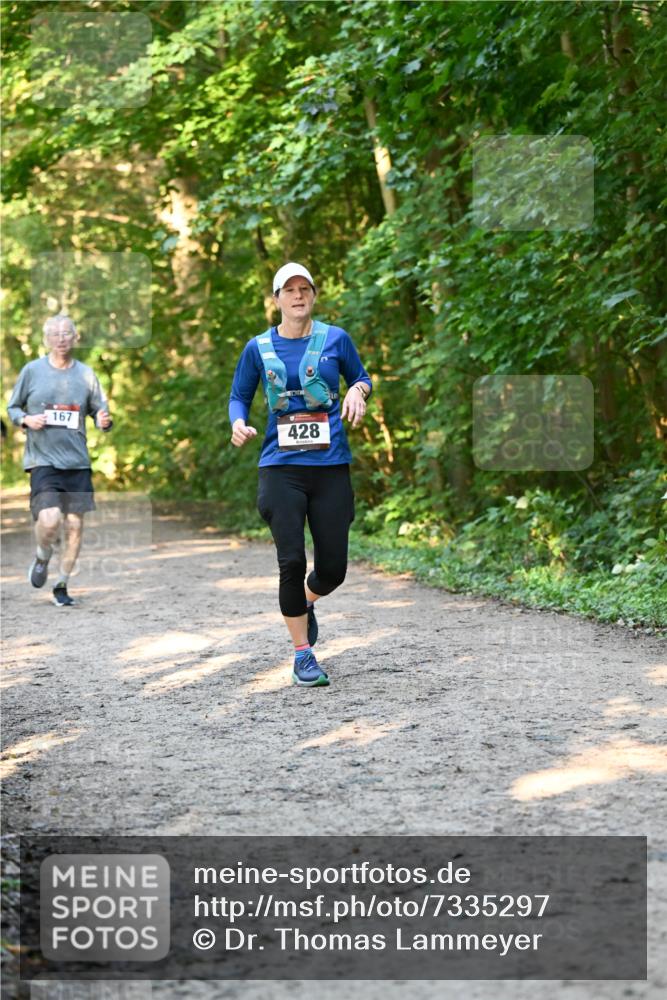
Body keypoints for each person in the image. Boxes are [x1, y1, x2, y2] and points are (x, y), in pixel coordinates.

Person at [229, 262, 371, 687]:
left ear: (313, 295)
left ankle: (307, 602)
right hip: (280, 468)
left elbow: (361, 377)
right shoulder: (257, 348)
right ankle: (302, 654)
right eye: (288, 289)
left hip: (330, 468)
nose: (297, 295)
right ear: (276, 299)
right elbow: (239, 396)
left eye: (304, 288)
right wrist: (238, 422)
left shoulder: (336, 340)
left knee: (333, 570)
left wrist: (357, 391)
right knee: (290, 560)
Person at [7, 314, 112, 607]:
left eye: (67, 333)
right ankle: (42, 557)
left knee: (75, 526)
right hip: (44, 460)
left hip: (77, 462)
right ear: (47, 339)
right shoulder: (32, 371)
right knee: (50, 518)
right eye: (55, 334)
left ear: (75, 337)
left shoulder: (87, 375)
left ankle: (61, 584)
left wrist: (104, 420)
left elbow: (101, 412)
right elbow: (12, 407)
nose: (61, 338)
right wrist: (26, 419)